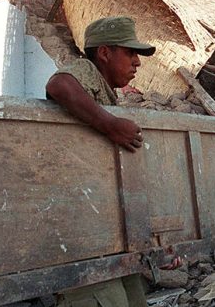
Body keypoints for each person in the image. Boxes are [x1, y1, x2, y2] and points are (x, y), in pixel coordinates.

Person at [45, 16, 169, 307]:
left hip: (105, 236)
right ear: (104, 53)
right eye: (130, 52)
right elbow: (59, 85)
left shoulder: (104, 92)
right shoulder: (85, 71)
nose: (137, 62)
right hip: (82, 239)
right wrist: (111, 124)